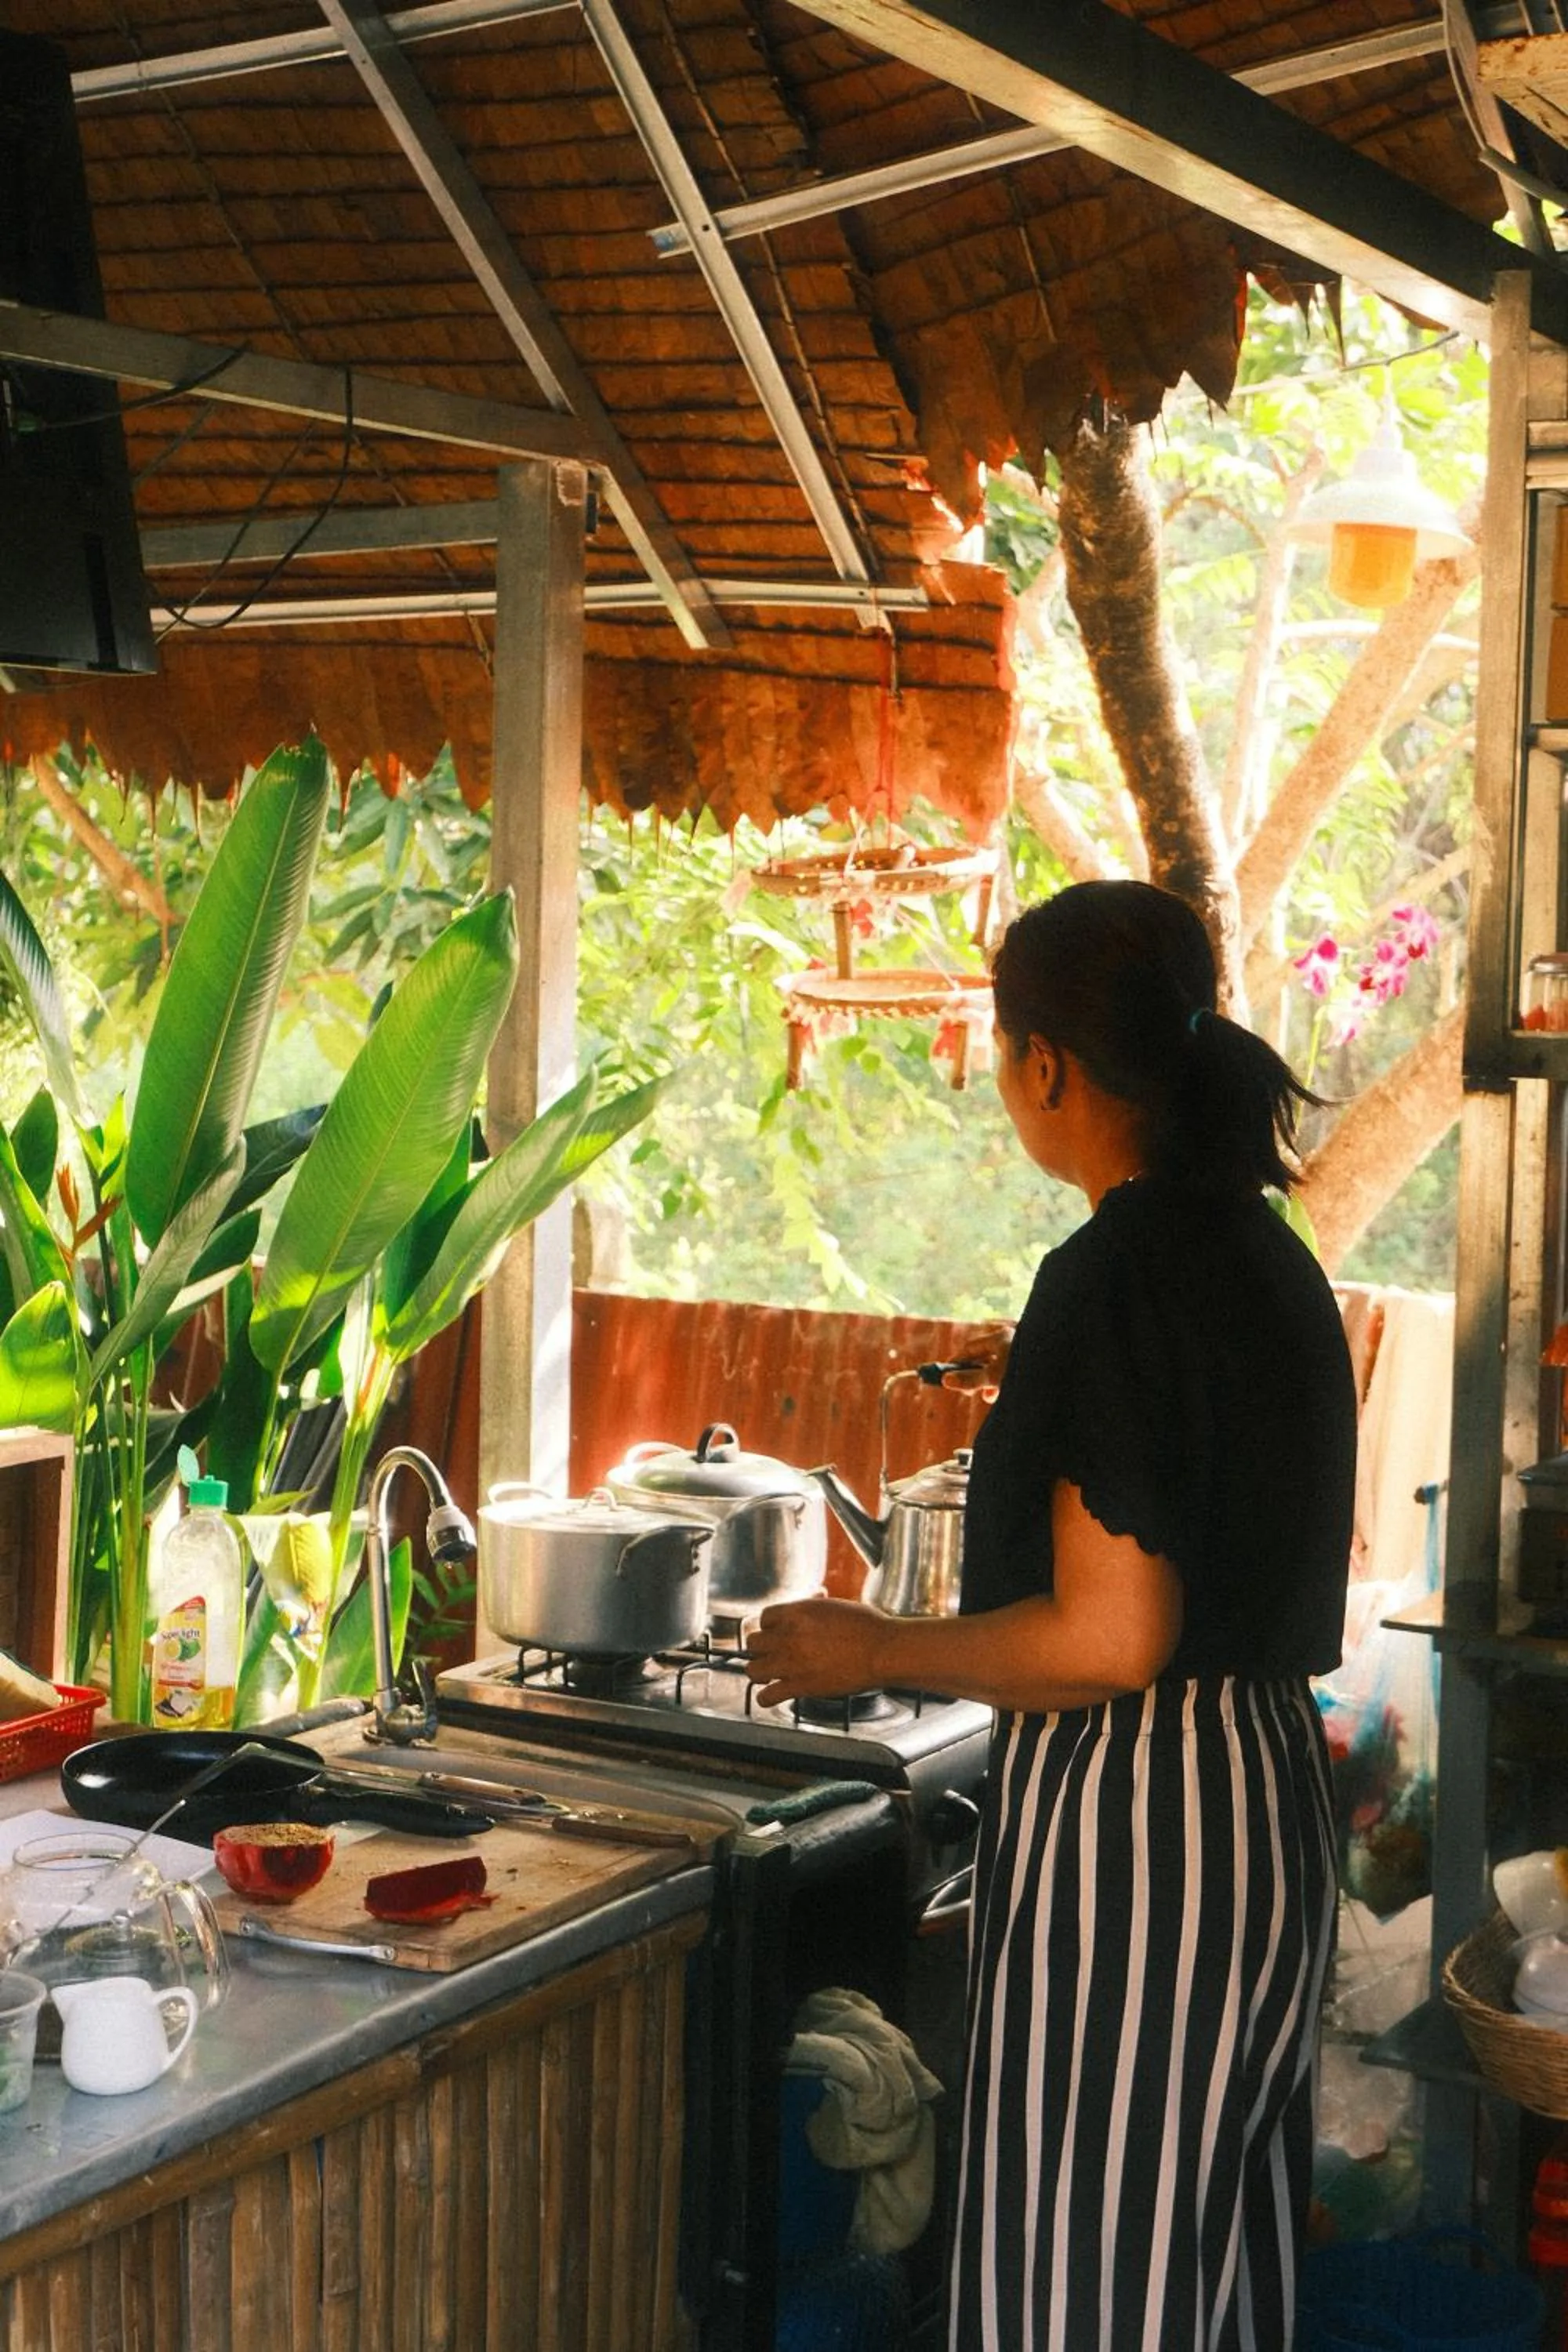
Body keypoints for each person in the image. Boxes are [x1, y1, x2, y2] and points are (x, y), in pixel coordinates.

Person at [746, 880, 1356, 2352]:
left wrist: (870, 1646)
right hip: (1262, 1802)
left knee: (1083, 2286)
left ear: (1046, 1069)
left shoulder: (1115, 1273)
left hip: (1145, 1831)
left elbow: (1111, 1638)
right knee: (1209, 2275)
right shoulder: (1268, 1258)